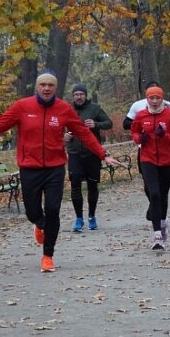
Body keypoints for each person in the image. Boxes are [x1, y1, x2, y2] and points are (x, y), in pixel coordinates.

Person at [0, 71, 123, 273]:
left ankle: (48, 256)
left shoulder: (64, 109)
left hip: (55, 169)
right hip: (29, 167)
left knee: (53, 210)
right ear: (37, 87)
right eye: (43, 85)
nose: (46, 88)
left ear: (55, 88)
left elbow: (83, 133)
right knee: (32, 211)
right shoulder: (22, 107)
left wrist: (103, 154)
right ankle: (40, 225)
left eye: (50, 85)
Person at [131, 85, 170, 250]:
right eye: (151, 98)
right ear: (146, 99)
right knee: (153, 194)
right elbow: (134, 134)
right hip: (147, 159)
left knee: (162, 195)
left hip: (167, 161)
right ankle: (156, 236)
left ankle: (162, 223)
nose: (154, 101)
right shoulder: (141, 115)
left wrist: (165, 136)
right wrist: (141, 138)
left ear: (162, 99)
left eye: (157, 98)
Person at [66, 83, 113, 232]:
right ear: (72, 96)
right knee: (75, 186)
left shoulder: (95, 108)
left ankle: (92, 216)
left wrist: (96, 124)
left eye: (81, 94)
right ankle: (79, 218)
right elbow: (57, 126)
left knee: (93, 185)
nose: (79, 97)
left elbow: (109, 123)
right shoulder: (67, 109)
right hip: (74, 152)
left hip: (92, 153)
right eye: (76, 95)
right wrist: (63, 135)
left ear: (86, 96)